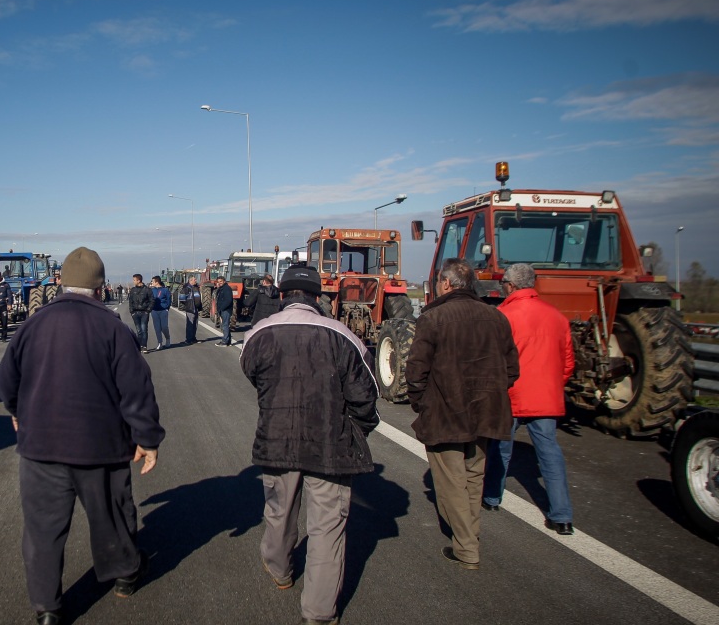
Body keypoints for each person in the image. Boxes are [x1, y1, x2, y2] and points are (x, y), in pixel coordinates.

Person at [0, 246, 165, 625]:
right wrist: (148, 438)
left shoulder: (32, 325)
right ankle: (124, 575)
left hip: (40, 448)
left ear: (60, 282)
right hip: (101, 448)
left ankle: (47, 609)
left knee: (42, 530)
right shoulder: (112, 328)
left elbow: (8, 378)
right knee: (111, 515)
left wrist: (16, 411)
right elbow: (137, 390)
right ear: (101, 287)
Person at [241, 264, 379, 625]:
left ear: (283, 295)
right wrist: (358, 429)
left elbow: (250, 371)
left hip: (277, 438)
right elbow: (366, 396)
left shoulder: (260, 332)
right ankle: (318, 613)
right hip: (331, 444)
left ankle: (280, 569)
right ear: (319, 297)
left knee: (278, 511)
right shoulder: (342, 334)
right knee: (327, 528)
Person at [406, 258, 519, 570]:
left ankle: (467, 548)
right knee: (473, 477)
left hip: (446, 412)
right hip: (487, 411)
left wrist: (421, 401)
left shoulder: (433, 318)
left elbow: (416, 371)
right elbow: (512, 370)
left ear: (445, 283)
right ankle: (471, 535)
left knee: (452, 480)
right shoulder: (496, 317)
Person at [482, 263, 576, 534]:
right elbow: (567, 361)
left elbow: (493, 359)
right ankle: (562, 516)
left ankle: (491, 498)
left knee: (500, 448)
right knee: (550, 454)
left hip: (512, 394)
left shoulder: (503, 315)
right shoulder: (557, 316)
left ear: (510, 285)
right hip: (546, 396)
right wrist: (552, 385)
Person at [127, 274, 153, 354]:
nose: (133, 281)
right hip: (135, 312)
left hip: (144, 312)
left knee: (144, 329)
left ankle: (144, 346)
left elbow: (152, 300)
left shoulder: (147, 290)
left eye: (134, 280)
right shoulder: (133, 290)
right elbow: (130, 301)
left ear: (139, 280)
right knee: (139, 330)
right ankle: (139, 346)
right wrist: (132, 311)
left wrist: (148, 310)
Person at [149, 276, 172, 350]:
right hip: (154, 311)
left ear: (157, 282)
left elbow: (169, 300)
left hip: (163, 310)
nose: (152, 283)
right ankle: (160, 343)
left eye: (153, 281)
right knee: (157, 328)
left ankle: (167, 338)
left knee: (164, 327)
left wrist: (167, 308)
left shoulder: (165, 290)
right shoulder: (152, 290)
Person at [179, 276, 203, 345]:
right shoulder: (186, 288)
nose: (196, 281)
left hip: (196, 308)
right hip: (190, 309)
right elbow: (182, 298)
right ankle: (188, 339)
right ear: (190, 281)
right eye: (194, 280)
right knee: (190, 324)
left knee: (195, 324)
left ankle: (193, 338)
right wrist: (188, 304)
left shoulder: (195, 288)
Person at [214, 276, 234, 346]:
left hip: (226, 310)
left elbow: (228, 300)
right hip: (223, 309)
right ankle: (228, 341)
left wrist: (222, 308)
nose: (219, 283)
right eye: (218, 282)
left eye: (221, 281)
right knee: (225, 325)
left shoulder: (227, 289)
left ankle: (225, 341)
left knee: (224, 326)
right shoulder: (221, 289)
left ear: (224, 281)